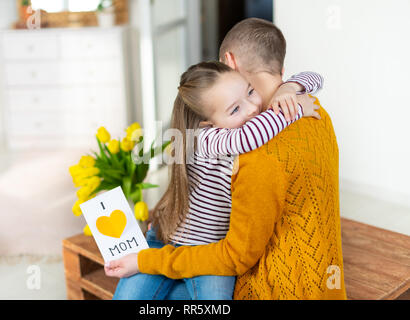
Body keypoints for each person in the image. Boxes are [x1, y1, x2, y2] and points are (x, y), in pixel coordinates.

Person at [105, 18, 347, 300]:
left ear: (229, 61)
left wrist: (290, 88)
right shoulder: (217, 137)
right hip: (183, 241)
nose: (253, 108)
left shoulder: (260, 139)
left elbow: (314, 78)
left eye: (250, 93)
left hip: (217, 248)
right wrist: (289, 108)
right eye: (234, 109)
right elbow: (250, 136)